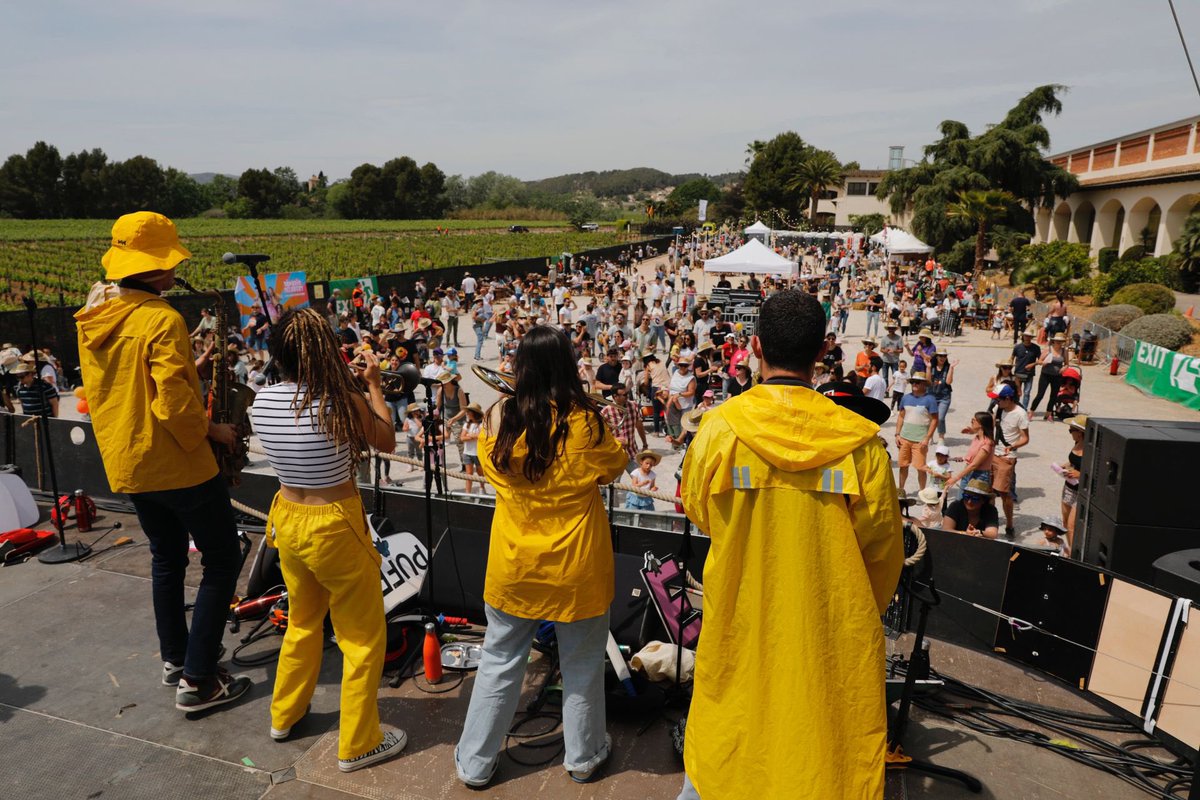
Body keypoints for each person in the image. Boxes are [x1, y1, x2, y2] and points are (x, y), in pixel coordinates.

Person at [677, 289, 903, 800]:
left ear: (755, 346)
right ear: (823, 351)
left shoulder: (717, 432)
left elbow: (698, 512)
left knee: (727, 752)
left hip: (740, 623)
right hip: (827, 637)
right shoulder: (864, 446)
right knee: (819, 757)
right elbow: (883, 558)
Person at [75, 212, 249, 712]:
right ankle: (198, 682)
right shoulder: (162, 319)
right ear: (157, 266)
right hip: (179, 464)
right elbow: (173, 409)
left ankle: (177, 657)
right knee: (221, 559)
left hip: (131, 463)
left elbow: (126, 382)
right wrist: (215, 428)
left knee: (167, 557)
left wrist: (189, 369)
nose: (176, 268)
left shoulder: (96, 316)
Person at [455, 325, 627, 788]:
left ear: (520, 366)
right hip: (577, 569)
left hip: (514, 567)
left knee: (499, 660)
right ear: (567, 366)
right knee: (583, 664)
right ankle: (584, 757)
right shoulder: (586, 422)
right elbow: (614, 467)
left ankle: (475, 763)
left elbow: (492, 472)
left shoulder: (495, 418)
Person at [248, 307, 407, 772]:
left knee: (302, 622)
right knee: (361, 637)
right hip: (335, 523)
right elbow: (387, 440)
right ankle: (359, 743)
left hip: (288, 520)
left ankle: (284, 714)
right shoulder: (342, 402)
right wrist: (373, 384)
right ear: (324, 352)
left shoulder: (263, 401)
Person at [992, 383, 1030, 538]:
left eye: (998, 399)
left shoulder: (1020, 414)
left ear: (1008, 398)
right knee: (988, 491)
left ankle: (1009, 524)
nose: (996, 402)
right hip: (993, 454)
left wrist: (1013, 446)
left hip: (1007, 457)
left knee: (1003, 492)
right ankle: (991, 520)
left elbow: (1025, 438)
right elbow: (992, 425)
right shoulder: (998, 409)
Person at [894, 371, 939, 496]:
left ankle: (922, 492)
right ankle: (901, 490)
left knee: (920, 468)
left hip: (920, 440)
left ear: (924, 384)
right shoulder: (905, 397)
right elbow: (901, 417)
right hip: (904, 438)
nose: (914, 384)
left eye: (917, 382)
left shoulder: (930, 399)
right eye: (913, 382)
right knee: (903, 466)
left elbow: (935, 420)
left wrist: (927, 438)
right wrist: (897, 434)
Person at [947, 411, 996, 497]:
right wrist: (964, 457)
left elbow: (974, 465)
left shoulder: (987, 443)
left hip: (979, 476)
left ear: (981, 424)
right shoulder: (977, 438)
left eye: (973, 420)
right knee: (960, 502)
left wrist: (955, 478)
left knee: (972, 504)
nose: (971, 421)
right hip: (968, 472)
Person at [600, 383, 648, 467]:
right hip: (615, 455)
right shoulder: (606, 411)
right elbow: (601, 434)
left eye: (628, 393)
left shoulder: (633, 406)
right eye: (625, 395)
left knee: (640, 478)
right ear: (615, 396)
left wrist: (645, 444)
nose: (628, 396)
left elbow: (639, 425)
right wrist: (614, 439)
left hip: (632, 452)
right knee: (615, 480)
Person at [1059, 414, 1087, 545]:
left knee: (1072, 526)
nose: (1069, 433)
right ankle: (1070, 548)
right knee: (1065, 523)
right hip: (1069, 487)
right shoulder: (1077, 443)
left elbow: (1096, 472)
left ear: (1080, 433)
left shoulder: (1091, 449)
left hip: (1081, 492)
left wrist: (1080, 474)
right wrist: (1066, 465)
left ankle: (1071, 555)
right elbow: (1075, 461)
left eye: (1071, 430)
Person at [1030, 332, 1070, 421]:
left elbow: (1067, 364)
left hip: (1057, 376)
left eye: (1060, 341)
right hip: (1046, 374)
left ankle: (1048, 413)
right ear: (1054, 341)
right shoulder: (1048, 349)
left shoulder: (1064, 351)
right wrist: (1043, 362)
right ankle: (1031, 412)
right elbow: (1039, 361)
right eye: (1057, 341)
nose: (1058, 343)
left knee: (1054, 396)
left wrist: (1064, 368)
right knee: (1040, 394)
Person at [928, 351, 956, 442]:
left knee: (940, 417)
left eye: (944, 356)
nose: (942, 358)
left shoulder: (948, 367)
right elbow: (928, 381)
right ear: (936, 357)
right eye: (940, 356)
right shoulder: (931, 367)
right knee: (931, 417)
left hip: (944, 396)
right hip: (932, 395)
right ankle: (930, 435)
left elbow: (948, 382)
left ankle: (941, 437)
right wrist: (928, 368)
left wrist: (951, 368)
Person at [1011, 330, 1041, 410]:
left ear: (1031, 337)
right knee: (1017, 392)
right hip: (1018, 373)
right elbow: (1012, 358)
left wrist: (1033, 364)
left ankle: (1024, 409)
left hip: (1029, 374)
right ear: (1023, 336)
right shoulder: (1017, 347)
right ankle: (1015, 407)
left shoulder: (1036, 348)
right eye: (1026, 336)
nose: (1027, 338)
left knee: (1027, 393)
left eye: (1029, 336)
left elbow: (1040, 360)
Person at [460, 403, 485, 494]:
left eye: (468, 412)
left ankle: (482, 489)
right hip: (467, 453)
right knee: (468, 474)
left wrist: (469, 436)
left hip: (478, 453)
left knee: (480, 473)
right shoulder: (466, 424)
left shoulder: (482, 424)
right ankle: (468, 493)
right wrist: (473, 436)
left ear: (474, 413)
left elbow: (482, 436)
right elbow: (462, 438)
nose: (467, 413)